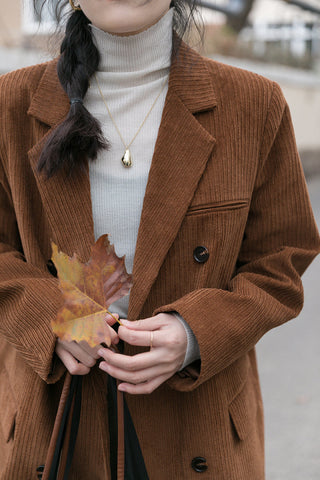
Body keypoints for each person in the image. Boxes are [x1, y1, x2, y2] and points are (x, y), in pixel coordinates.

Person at [0, 0, 319, 478]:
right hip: (53, 417)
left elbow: (282, 258)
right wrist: (49, 317)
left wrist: (195, 334)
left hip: (196, 421)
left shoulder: (254, 103)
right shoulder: (12, 103)